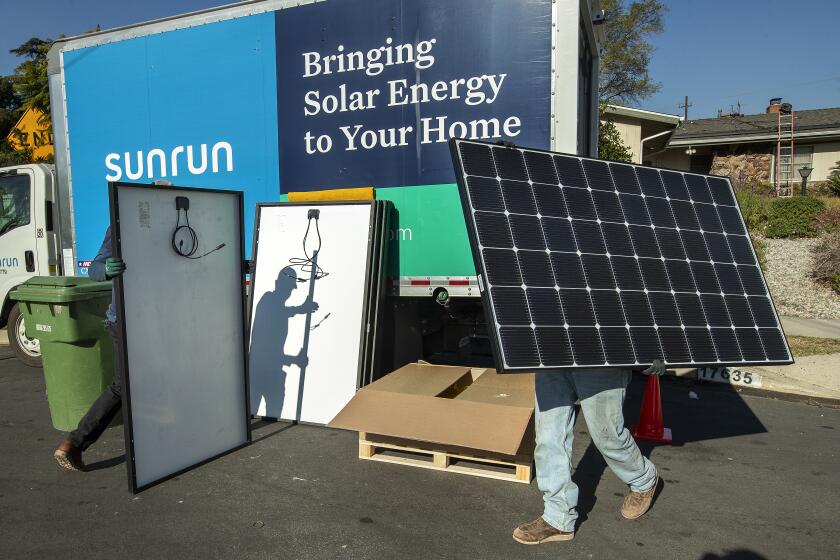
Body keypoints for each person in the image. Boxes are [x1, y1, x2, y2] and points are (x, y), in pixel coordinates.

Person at [512, 361, 666, 545]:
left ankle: (644, 479)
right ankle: (558, 517)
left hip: (601, 355)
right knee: (548, 438)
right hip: (551, 352)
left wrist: (650, 350)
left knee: (607, 438)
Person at [54, 227, 125, 471]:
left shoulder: (173, 232)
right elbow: (94, 269)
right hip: (124, 321)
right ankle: (74, 443)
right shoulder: (120, 225)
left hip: (154, 319)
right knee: (122, 385)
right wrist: (106, 270)